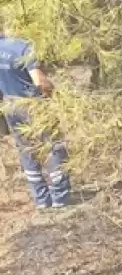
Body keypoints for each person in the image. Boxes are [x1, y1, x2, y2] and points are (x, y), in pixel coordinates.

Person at [0, 31, 71, 209]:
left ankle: (41, 199)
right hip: (32, 103)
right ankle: (59, 198)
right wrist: (55, 96)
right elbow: (39, 81)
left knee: (26, 149)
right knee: (53, 144)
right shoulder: (23, 47)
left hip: (10, 104)